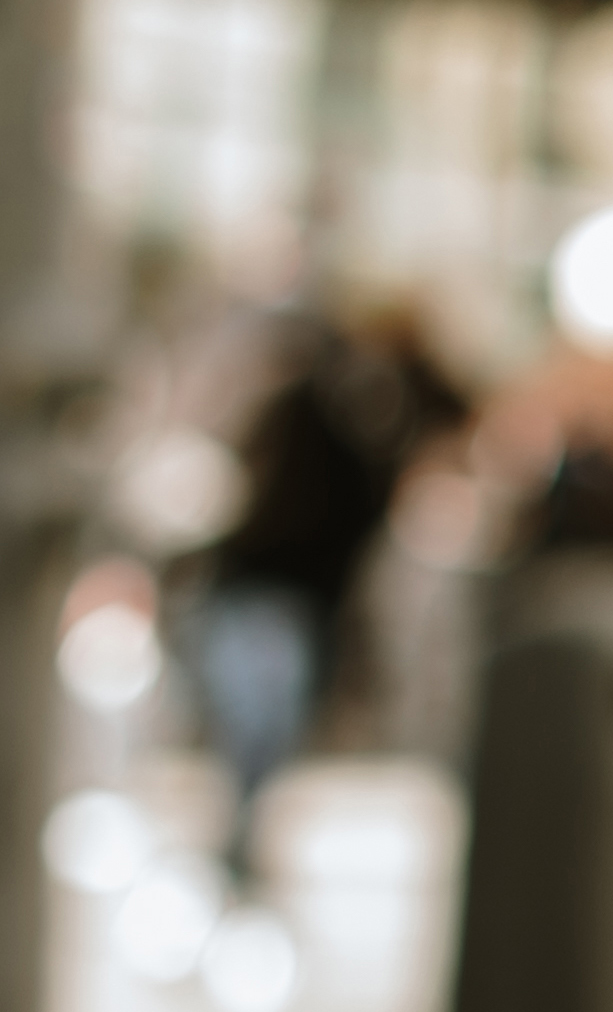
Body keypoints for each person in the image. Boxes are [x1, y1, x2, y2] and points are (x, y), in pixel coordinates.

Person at [193, 297, 468, 892]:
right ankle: (238, 839)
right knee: (258, 723)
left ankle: (241, 837)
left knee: (264, 727)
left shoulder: (353, 430)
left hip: (286, 594)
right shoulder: (320, 420)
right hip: (272, 592)